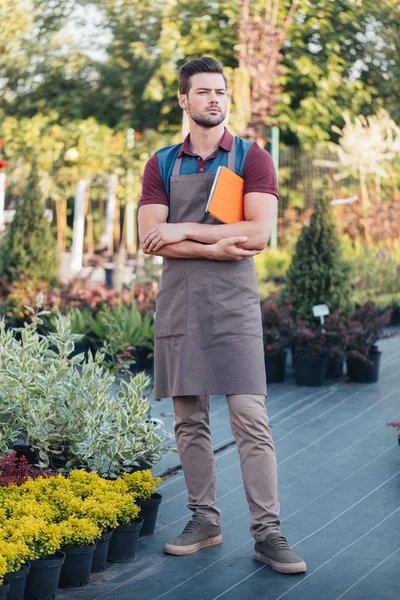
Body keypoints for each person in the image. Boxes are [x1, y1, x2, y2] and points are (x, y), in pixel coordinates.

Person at [138, 56, 306, 574]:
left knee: (250, 419)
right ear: (184, 101)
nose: (215, 99)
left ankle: (268, 532)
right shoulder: (162, 163)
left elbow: (257, 236)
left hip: (234, 304)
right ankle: (204, 520)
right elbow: (149, 237)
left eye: (221, 91)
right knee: (189, 419)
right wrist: (213, 246)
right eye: (204, 92)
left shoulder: (253, 158)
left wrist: (184, 233)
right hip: (181, 302)